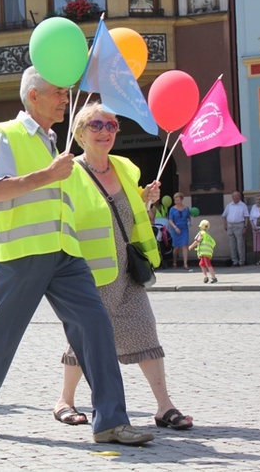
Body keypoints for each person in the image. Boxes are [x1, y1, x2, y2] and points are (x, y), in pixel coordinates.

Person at [0, 68, 153, 445]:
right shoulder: (7, 133)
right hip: (23, 252)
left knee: (95, 327)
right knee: (1, 331)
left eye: (64, 92)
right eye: (57, 92)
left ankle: (110, 420)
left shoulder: (52, 140)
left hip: (64, 253)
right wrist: (48, 174)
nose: (64, 98)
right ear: (33, 97)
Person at [52, 102, 192, 432]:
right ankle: (65, 400)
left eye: (112, 126)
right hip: (90, 271)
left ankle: (164, 406)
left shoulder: (126, 167)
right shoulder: (68, 173)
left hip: (128, 269)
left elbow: (124, 211)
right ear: (80, 132)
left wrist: (145, 199)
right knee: (84, 339)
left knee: (145, 329)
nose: (105, 132)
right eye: (97, 125)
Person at [221, 191, 249, 267]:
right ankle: (234, 261)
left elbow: (246, 217)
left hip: (239, 225)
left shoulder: (243, 205)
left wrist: (245, 227)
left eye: (237, 196)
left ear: (240, 197)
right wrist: (225, 225)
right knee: (232, 244)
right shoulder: (229, 205)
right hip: (230, 225)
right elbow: (223, 216)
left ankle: (241, 261)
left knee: (240, 244)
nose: (235, 197)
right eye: (233, 196)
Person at [167, 192, 191, 269]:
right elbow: (170, 220)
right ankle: (174, 261)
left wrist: (189, 223)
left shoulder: (186, 208)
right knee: (176, 247)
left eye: (178, 200)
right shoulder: (172, 209)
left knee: (184, 245)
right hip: (175, 228)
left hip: (184, 229)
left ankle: (185, 264)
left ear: (181, 200)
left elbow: (188, 217)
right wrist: (175, 227)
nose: (177, 202)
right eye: (175, 200)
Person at [189, 219, 217, 284]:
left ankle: (214, 278)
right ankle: (205, 276)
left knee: (208, 265)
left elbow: (197, 241)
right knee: (202, 264)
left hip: (204, 252)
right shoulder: (208, 235)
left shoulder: (201, 233)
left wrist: (191, 246)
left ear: (201, 227)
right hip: (207, 252)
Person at [249, 194, 260, 265]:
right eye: (257, 199)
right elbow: (251, 218)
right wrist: (253, 226)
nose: (258, 201)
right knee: (258, 245)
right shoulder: (253, 207)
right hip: (256, 229)